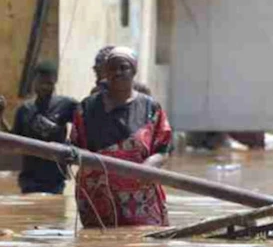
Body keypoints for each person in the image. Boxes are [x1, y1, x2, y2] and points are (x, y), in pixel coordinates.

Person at [71, 47, 172, 227]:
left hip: (140, 198)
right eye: (112, 68)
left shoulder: (150, 108)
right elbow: (75, 146)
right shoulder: (87, 107)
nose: (117, 73)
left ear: (134, 70)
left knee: (141, 243)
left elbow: (164, 149)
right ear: (105, 72)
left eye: (123, 67)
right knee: (98, 246)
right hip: (97, 196)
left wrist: (149, 165)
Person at [10, 62, 78, 194]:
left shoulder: (66, 105)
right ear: (34, 82)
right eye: (41, 83)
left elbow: (86, 123)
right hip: (29, 178)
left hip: (55, 179)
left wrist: (73, 145)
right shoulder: (24, 110)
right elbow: (13, 143)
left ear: (55, 82)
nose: (45, 87)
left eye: (49, 84)